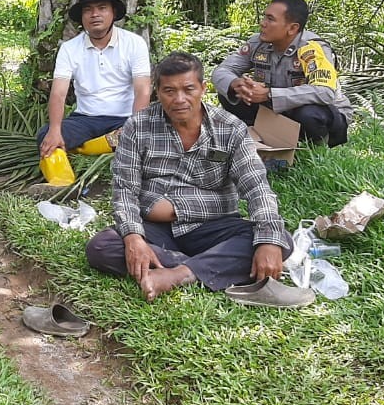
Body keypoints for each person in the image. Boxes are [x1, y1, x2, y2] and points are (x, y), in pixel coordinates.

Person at [85, 52, 302, 304]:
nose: (179, 99)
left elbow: (256, 187)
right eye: (169, 91)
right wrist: (134, 238)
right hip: (157, 231)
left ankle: (178, 274)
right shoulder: (138, 126)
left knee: (279, 241)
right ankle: (208, 267)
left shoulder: (230, 128)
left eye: (188, 89)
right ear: (157, 92)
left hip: (212, 226)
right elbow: (124, 189)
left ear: (202, 88)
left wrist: (268, 240)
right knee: (102, 247)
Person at [36, 0, 152, 178]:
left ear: (113, 13)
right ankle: (62, 182)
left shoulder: (134, 43)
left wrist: (133, 125)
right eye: (88, 10)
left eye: (102, 8)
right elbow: (58, 93)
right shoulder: (70, 48)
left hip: (125, 118)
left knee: (158, 133)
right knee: (46, 135)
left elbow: (143, 91)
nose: (94, 14)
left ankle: (94, 145)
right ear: (82, 17)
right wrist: (55, 130)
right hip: (86, 119)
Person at [211, 0, 353, 146]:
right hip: (276, 111)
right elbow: (221, 71)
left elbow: (325, 92)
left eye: (270, 19)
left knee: (309, 114)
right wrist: (236, 84)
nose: (262, 23)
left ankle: (317, 146)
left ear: (292, 28)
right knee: (232, 93)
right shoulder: (257, 43)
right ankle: (260, 137)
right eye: (264, 17)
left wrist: (269, 95)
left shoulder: (312, 48)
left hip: (324, 114)